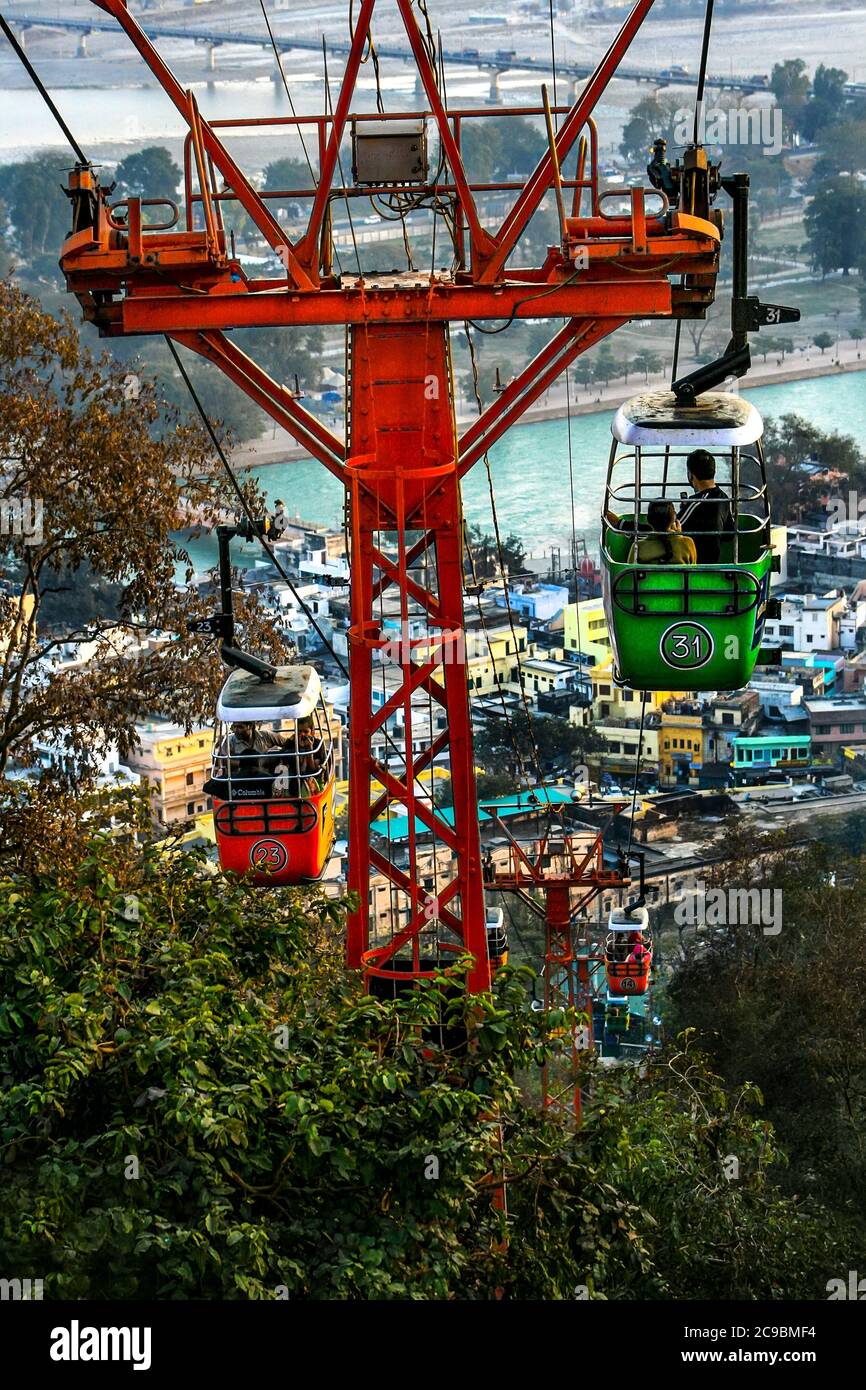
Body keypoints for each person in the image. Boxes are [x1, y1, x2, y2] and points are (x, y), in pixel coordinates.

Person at [677, 448, 734, 564]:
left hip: (693, 566)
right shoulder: (724, 498)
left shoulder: (695, 503)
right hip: (714, 563)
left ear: (691, 475)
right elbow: (729, 535)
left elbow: (669, 529)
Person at [628, 499, 697, 565]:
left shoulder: (637, 547)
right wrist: (678, 536)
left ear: (648, 520)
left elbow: (629, 574)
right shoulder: (687, 543)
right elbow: (693, 571)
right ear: (673, 519)